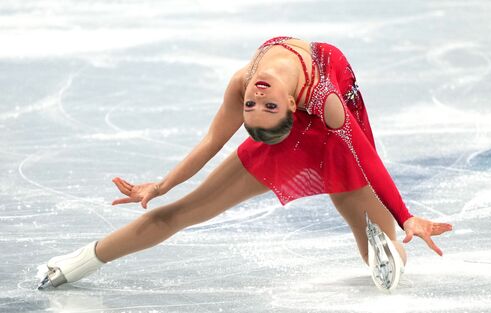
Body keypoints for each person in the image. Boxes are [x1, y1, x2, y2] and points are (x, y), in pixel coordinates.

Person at [38, 36, 452, 292]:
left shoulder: (324, 100)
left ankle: (387, 247)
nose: (256, 94)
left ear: (291, 104)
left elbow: (364, 154)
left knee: (367, 221)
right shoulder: (246, 85)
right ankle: (75, 264)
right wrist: (160, 187)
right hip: (291, 142)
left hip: (337, 134)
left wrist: (405, 216)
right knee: (182, 212)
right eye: (253, 105)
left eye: (263, 104)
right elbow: (211, 141)